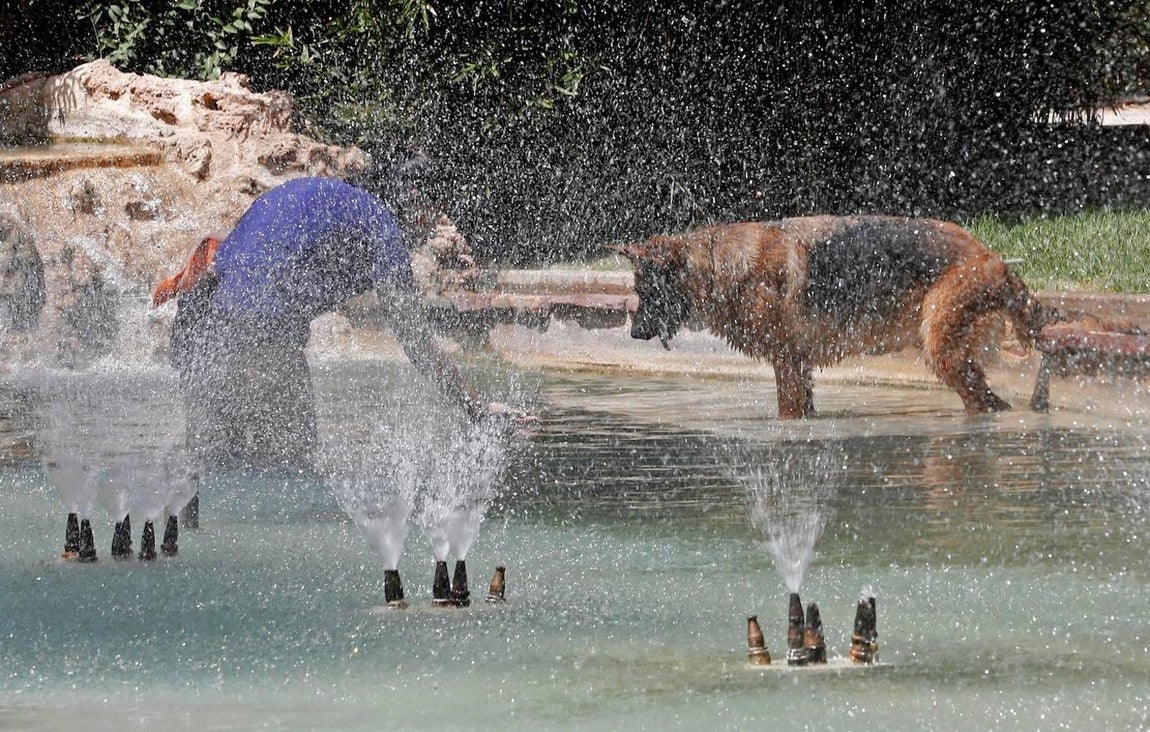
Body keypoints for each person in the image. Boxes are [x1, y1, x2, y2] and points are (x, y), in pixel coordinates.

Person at [152, 176, 512, 471]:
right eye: (435, 218)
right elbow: (415, 341)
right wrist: (474, 408)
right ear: (417, 209)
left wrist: (179, 287)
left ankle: (184, 519)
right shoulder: (381, 229)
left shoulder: (331, 199)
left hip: (207, 323)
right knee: (291, 460)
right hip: (262, 328)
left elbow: (214, 246)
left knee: (211, 462)